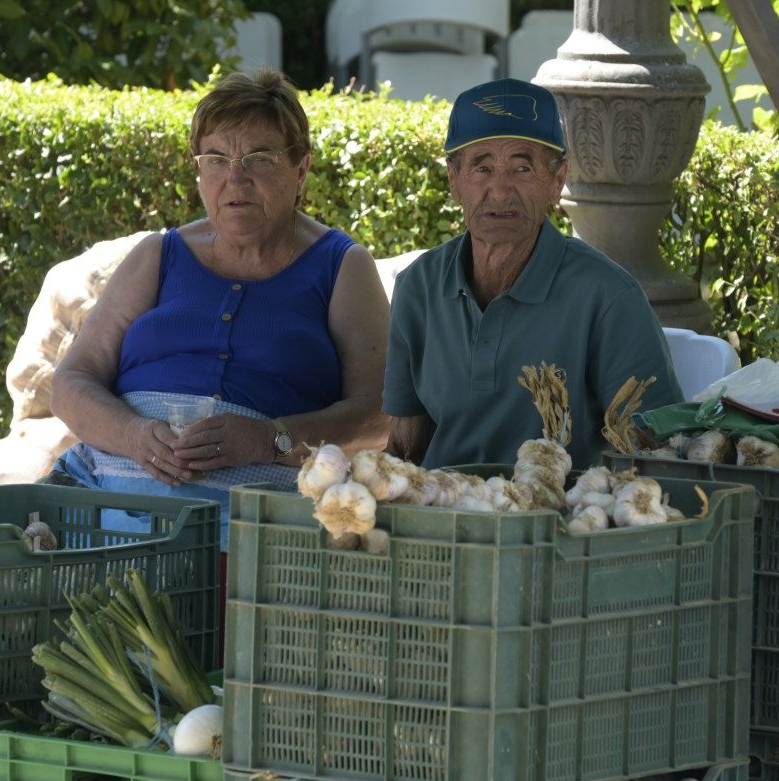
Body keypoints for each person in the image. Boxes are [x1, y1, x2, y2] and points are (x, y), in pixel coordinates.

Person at [50, 69, 390, 547]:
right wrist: (132, 435)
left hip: (256, 520)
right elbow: (70, 383)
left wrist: (271, 439)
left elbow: (378, 415)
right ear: (199, 171)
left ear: (301, 168)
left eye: (259, 158)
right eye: (216, 159)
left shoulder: (342, 266)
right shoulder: (158, 254)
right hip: (108, 492)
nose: (235, 178)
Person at [383, 78, 682, 470]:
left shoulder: (608, 297)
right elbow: (405, 448)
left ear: (557, 180)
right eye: (482, 167)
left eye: (522, 167)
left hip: (555, 520)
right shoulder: (417, 287)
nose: (500, 191)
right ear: (454, 180)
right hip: (443, 518)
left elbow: (655, 454)